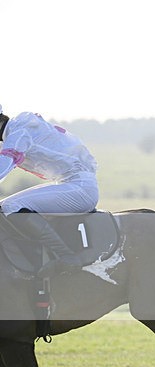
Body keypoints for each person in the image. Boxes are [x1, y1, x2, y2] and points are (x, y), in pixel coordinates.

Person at [0, 104, 99, 275]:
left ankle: (67, 257)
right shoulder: (18, 129)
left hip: (79, 187)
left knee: (9, 206)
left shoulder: (19, 132)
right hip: (72, 184)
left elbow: (5, 165)